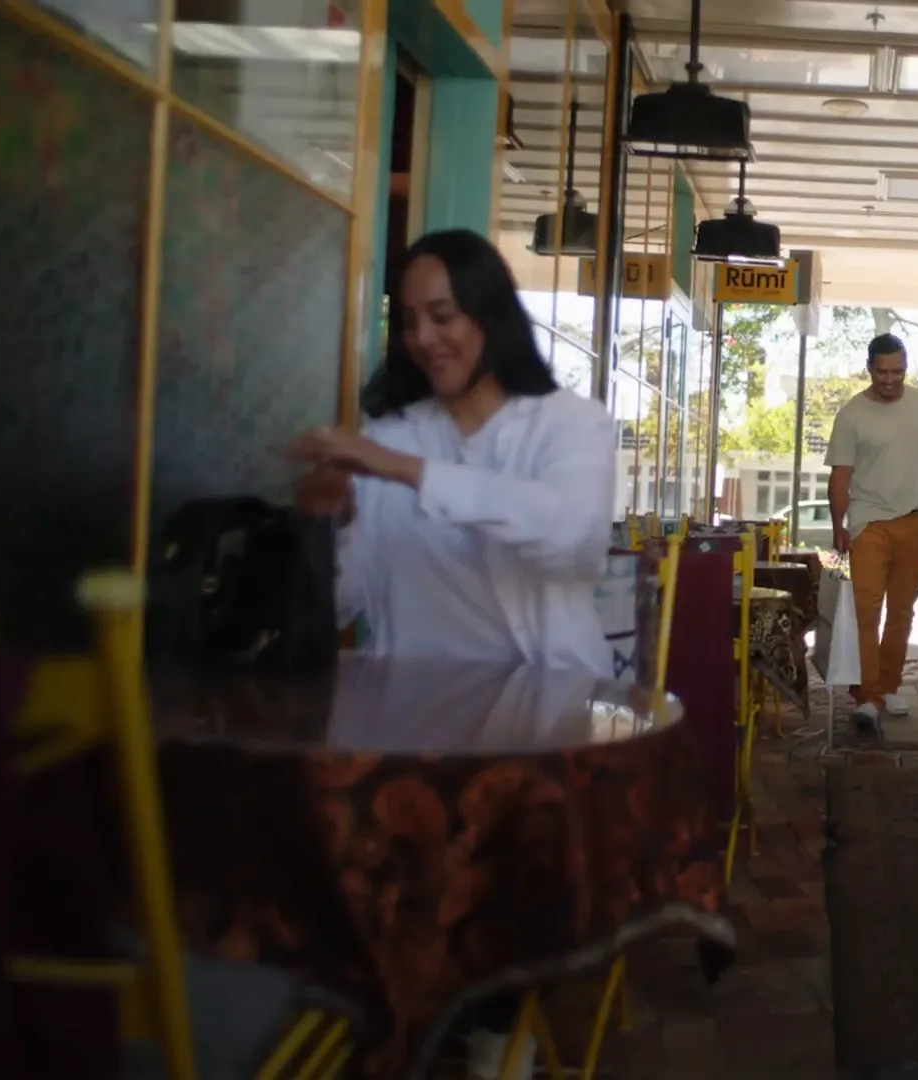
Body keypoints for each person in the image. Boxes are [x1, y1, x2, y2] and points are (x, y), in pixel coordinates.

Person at [288, 227, 616, 1080]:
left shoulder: (569, 426)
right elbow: (346, 603)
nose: (425, 337)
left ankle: (480, 1028)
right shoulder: (395, 433)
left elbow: (572, 542)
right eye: (411, 321)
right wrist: (329, 522)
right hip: (410, 720)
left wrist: (401, 473)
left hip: (536, 716)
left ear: (490, 315)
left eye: (445, 315)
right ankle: (413, 1022)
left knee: (491, 863)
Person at [826, 333, 918, 728]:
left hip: (914, 520)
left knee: (902, 612)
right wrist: (837, 524)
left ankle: (889, 686)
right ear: (869, 368)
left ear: (906, 368)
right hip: (868, 522)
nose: (890, 379)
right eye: (882, 372)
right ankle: (867, 695)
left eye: (898, 372)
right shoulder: (851, 415)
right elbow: (841, 475)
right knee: (865, 610)